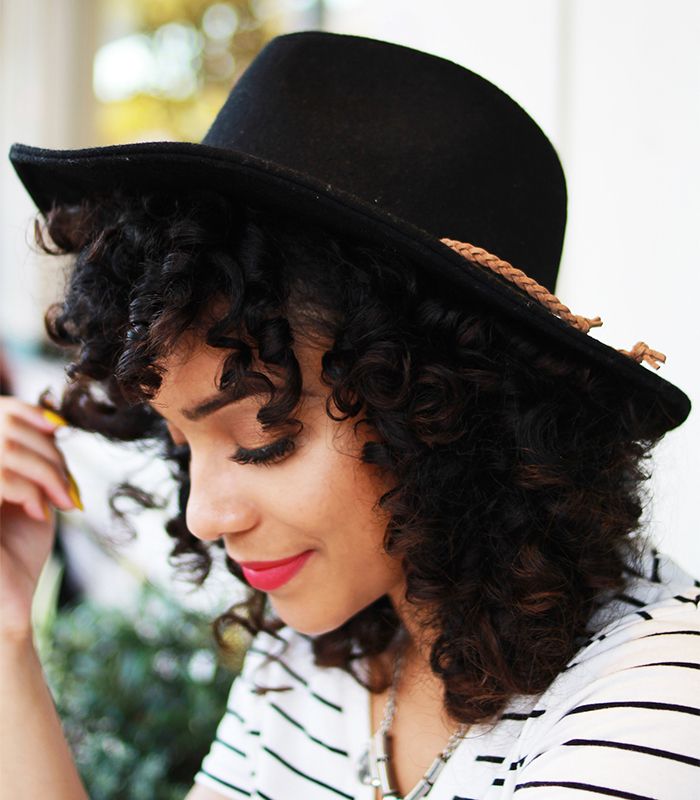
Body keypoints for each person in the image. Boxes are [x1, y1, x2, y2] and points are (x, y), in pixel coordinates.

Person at [2, 30, 699, 800]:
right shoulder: (323, 654)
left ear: (445, 410)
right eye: (180, 441)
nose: (202, 515)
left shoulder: (653, 699)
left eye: (261, 437)